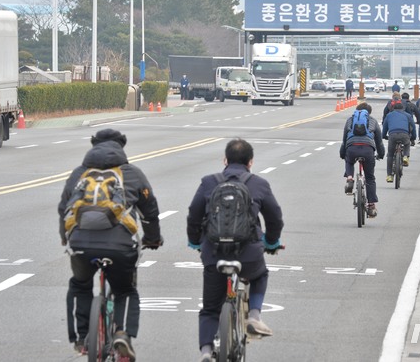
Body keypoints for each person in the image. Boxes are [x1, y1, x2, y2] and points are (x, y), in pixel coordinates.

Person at [58, 129, 164, 360]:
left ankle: (81, 337)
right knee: (125, 289)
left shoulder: (79, 174)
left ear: (93, 147)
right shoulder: (132, 173)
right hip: (120, 245)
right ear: (121, 147)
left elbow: (63, 208)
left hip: (81, 244)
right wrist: (153, 238)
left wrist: (66, 238)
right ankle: (122, 334)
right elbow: (150, 210)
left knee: (80, 283)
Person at [186, 138, 284, 362]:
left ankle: (206, 351)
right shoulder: (259, 184)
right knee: (260, 275)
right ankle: (255, 315)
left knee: (210, 307)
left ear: (225, 160)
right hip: (248, 255)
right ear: (250, 162)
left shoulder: (209, 182)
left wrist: (195, 241)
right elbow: (275, 218)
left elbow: (194, 215)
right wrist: (271, 242)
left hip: (214, 254)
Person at [340, 103, 385, 217]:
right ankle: (371, 206)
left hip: (352, 147)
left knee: (349, 161)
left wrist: (343, 154)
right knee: (370, 178)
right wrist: (381, 154)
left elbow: (344, 139)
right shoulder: (373, 121)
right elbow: (379, 141)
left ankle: (349, 178)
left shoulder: (350, 120)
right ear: (369, 112)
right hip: (368, 148)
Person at [382, 101, 416, 182]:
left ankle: (389, 176)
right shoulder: (407, 115)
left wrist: (384, 136)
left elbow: (385, 127)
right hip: (404, 134)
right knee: (407, 144)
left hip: (392, 135)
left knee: (390, 155)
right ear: (403, 108)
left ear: (394, 108)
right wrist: (413, 138)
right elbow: (413, 127)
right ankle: (405, 156)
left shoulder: (389, 115)